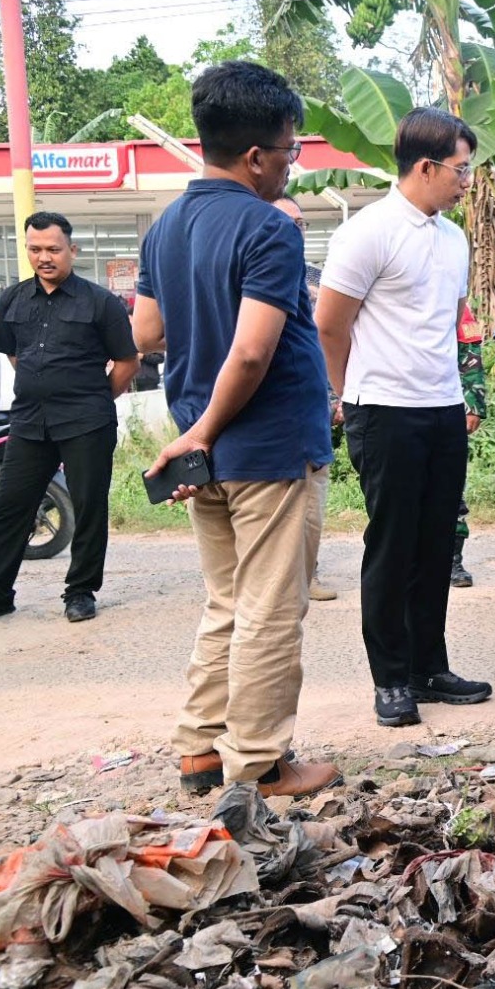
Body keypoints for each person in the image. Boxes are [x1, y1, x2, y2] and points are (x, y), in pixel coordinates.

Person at [132, 60, 338, 797]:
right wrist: (212, 426)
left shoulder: (165, 228)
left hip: (204, 450)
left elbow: (148, 330)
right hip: (266, 445)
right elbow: (253, 350)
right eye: (290, 150)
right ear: (256, 156)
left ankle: (198, 751)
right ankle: (260, 762)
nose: (293, 164)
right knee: (270, 608)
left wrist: (195, 432)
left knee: (226, 600)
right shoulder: (266, 228)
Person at [317, 107, 492, 728]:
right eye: (461, 169)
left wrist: (463, 394)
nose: (467, 180)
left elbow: (448, 324)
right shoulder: (368, 232)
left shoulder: (453, 237)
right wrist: (345, 394)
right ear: (426, 166)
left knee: (434, 542)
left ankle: (429, 666)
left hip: (441, 409)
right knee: (392, 547)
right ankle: (391, 679)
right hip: (383, 411)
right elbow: (330, 324)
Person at [0, 213, 139, 630]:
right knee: (11, 508)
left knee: (88, 506)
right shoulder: (12, 299)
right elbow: (15, 355)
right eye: (35, 249)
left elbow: (129, 361)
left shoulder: (100, 302)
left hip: (86, 422)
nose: (44, 257)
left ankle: (80, 591)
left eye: (53, 249)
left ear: (71, 251)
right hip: (29, 422)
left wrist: (93, 398)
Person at [271, 194, 339, 603]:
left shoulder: (320, 279)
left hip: (313, 409)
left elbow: (331, 340)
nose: (293, 231)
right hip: (270, 413)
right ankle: (277, 582)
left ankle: (307, 575)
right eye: (284, 223)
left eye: (299, 224)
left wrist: (337, 395)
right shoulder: (248, 275)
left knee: (313, 503)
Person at [451, 303, 488, 588]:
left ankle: (453, 561)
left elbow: (471, 356)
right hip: (399, 407)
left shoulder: (457, 303)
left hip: (448, 408)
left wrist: (474, 405)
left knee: (451, 490)